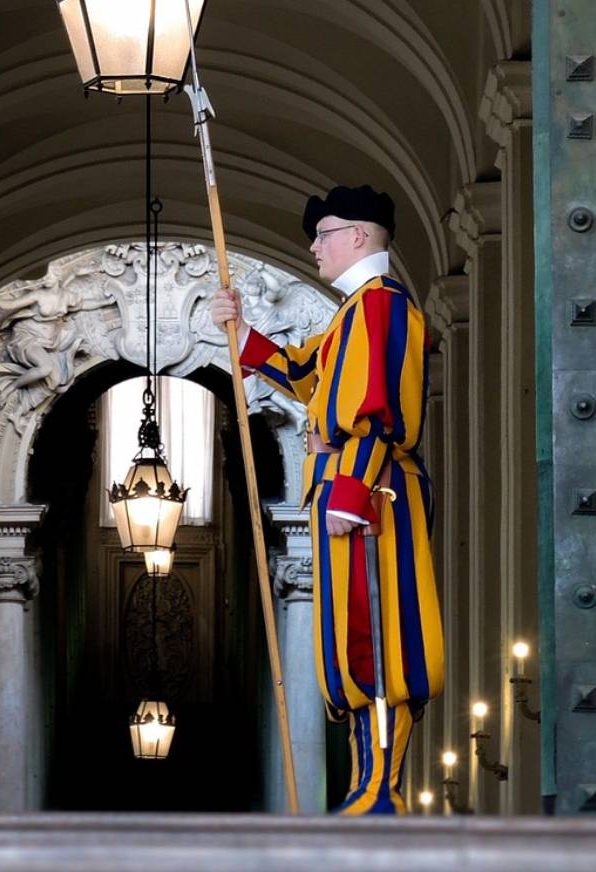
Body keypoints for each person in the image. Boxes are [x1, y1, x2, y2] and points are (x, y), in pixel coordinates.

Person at [210, 184, 444, 815]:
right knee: (349, 644)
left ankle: (381, 789)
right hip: (352, 490)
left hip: (369, 494)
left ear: (360, 237)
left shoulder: (383, 307)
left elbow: (379, 410)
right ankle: (366, 782)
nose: (314, 246)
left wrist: (351, 489)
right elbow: (307, 376)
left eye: (326, 233)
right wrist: (241, 332)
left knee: (380, 638)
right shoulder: (352, 314)